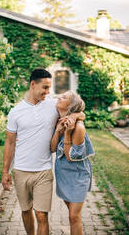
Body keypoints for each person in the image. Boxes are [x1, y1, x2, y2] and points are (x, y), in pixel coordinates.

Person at [2, 69, 84, 235]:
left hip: (44, 171)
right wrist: (5, 171)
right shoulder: (15, 112)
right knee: (26, 211)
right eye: (45, 88)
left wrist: (75, 117)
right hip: (20, 170)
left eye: (49, 88)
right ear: (33, 85)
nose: (48, 92)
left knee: (41, 215)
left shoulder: (52, 105)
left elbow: (78, 110)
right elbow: (10, 143)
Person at [51, 91, 95, 235]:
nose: (59, 97)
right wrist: (58, 131)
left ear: (70, 105)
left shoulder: (78, 127)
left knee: (73, 216)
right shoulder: (60, 118)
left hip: (77, 175)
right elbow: (52, 149)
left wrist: (68, 133)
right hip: (63, 175)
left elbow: (71, 157)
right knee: (72, 214)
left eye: (64, 97)